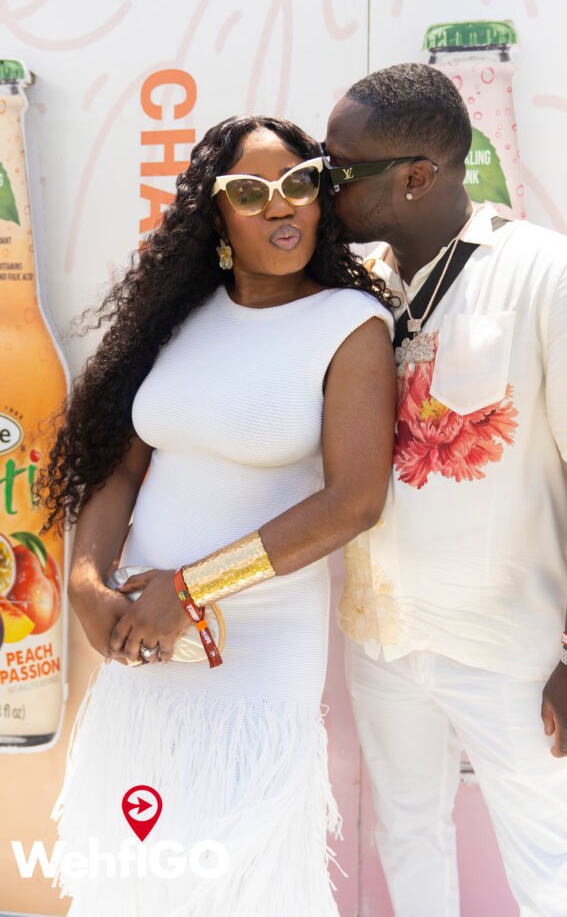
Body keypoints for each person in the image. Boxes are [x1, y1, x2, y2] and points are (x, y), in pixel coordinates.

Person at [41, 115, 397, 917]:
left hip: (256, 646)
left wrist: (193, 587)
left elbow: (354, 501)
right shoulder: (179, 318)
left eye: (299, 183)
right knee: (137, 867)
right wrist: (87, 581)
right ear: (216, 214)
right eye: (251, 191)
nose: (282, 206)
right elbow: (121, 465)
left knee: (238, 878)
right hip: (145, 636)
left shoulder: (348, 325)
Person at [324, 63, 567, 917]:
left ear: (416, 177)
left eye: (340, 169)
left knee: (554, 871)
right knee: (405, 836)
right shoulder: (350, 288)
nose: (322, 184)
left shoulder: (551, 274)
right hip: (380, 639)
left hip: (512, 651)